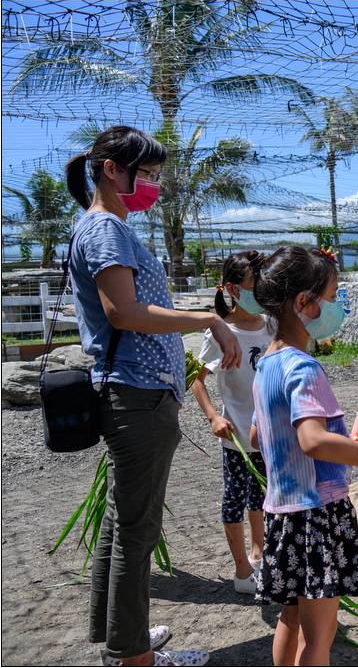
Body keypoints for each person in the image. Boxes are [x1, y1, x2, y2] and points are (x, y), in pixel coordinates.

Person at [65, 125, 241, 667]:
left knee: (125, 521)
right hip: (136, 398)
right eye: (148, 175)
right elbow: (125, 312)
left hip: (139, 393)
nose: (154, 186)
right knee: (137, 530)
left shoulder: (106, 227)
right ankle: (135, 656)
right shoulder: (106, 231)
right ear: (111, 170)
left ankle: (121, 639)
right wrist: (208, 318)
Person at [251, 246, 358, 666]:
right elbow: (312, 440)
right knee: (320, 638)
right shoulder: (303, 367)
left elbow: (261, 436)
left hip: (282, 513)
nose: (337, 306)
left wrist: (340, 439)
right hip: (316, 515)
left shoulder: (266, 365)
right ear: (303, 302)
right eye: (331, 297)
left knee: (291, 619)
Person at [189, 250, 272, 594]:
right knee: (235, 496)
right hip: (235, 436)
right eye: (256, 283)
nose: (263, 289)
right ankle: (241, 571)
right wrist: (213, 417)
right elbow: (195, 378)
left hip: (269, 435)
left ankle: (259, 551)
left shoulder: (273, 326)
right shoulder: (221, 334)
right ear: (234, 290)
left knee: (263, 495)